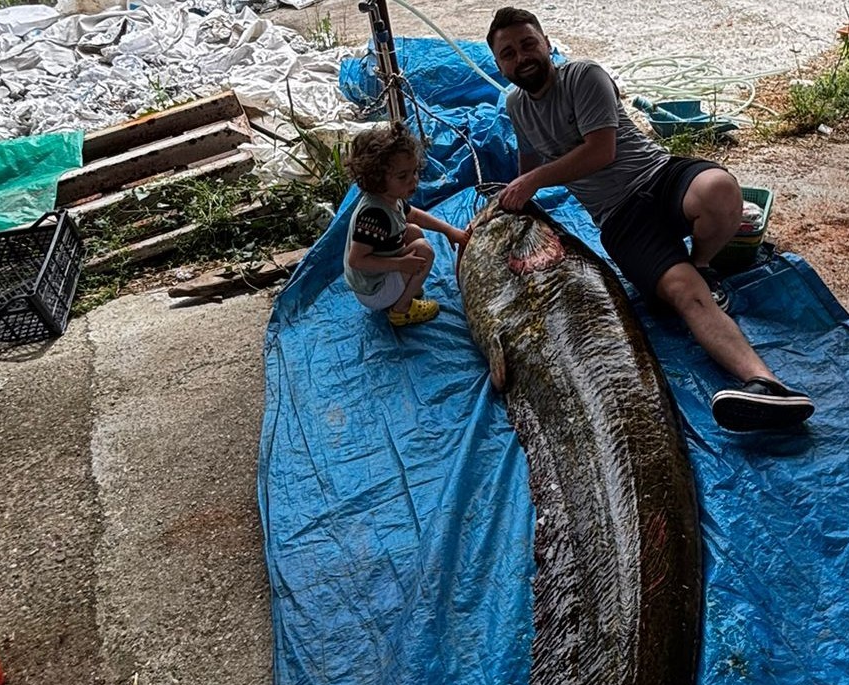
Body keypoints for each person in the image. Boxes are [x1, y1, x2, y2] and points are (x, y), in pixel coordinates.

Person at [486, 7, 815, 432]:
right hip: (620, 219)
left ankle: (703, 261)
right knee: (685, 296)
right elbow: (526, 166)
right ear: (499, 65)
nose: (521, 57)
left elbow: (600, 151)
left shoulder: (583, 76)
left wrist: (533, 180)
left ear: (547, 44)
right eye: (508, 53)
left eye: (528, 44)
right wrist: (518, 208)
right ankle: (766, 384)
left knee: (720, 189)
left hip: (659, 177)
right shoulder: (517, 106)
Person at [345, 124, 469, 327]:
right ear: (377, 178)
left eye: (414, 172)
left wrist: (449, 230)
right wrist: (400, 265)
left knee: (414, 232)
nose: (413, 181)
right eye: (403, 176)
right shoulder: (375, 215)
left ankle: (402, 286)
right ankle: (401, 309)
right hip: (373, 290)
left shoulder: (390, 197)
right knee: (424, 251)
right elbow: (357, 260)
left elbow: (414, 216)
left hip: (379, 275)